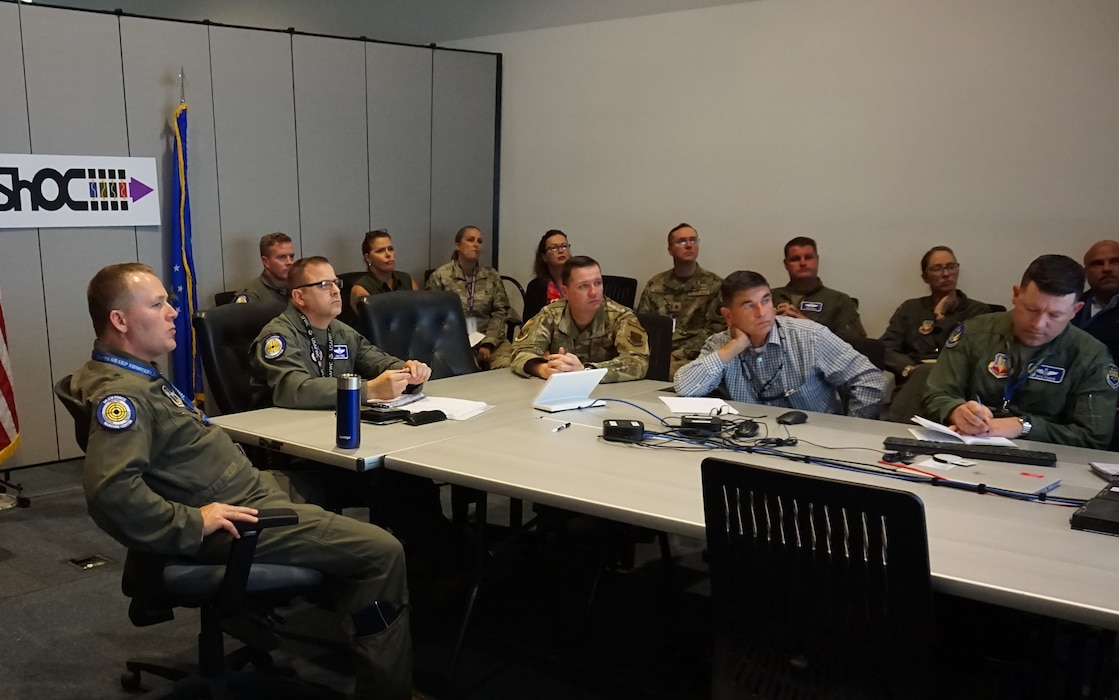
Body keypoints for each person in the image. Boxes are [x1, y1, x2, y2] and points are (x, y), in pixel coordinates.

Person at [60, 262, 413, 699]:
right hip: (239, 514)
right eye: (157, 304)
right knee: (382, 550)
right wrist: (194, 522)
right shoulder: (123, 395)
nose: (173, 311)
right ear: (120, 320)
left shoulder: (131, 374)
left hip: (240, 487)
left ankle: (281, 607)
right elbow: (110, 492)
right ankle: (386, 689)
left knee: (361, 485)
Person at [923, 254, 1117, 448]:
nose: (1038, 324)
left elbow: (1093, 436)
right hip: (966, 448)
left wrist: (1023, 427)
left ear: (1075, 310)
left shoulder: (1091, 356)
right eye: (1031, 309)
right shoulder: (974, 332)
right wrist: (955, 410)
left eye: (1055, 315)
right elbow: (936, 394)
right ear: (1016, 294)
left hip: (1049, 459)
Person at [674, 270, 885, 418]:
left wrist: (850, 429)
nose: (762, 312)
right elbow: (685, 387)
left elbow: (870, 380)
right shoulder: (721, 345)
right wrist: (736, 345)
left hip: (815, 441)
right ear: (728, 316)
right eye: (749, 305)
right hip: (752, 442)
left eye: (766, 300)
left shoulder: (809, 336)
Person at [250, 256, 431, 407]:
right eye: (324, 285)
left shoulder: (341, 331)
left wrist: (407, 372)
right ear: (299, 296)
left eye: (336, 283)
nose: (336, 291)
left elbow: (377, 361)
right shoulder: (278, 336)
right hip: (280, 432)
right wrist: (369, 390)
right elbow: (293, 389)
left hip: (330, 422)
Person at [511, 255, 649, 383]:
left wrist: (585, 371)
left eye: (598, 283)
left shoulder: (621, 317)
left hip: (610, 395)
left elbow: (637, 362)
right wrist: (543, 369)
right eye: (584, 286)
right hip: (560, 393)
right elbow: (520, 351)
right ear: (565, 292)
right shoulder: (551, 314)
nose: (593, 292)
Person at [882, 246, 992, 379]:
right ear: (925, 277)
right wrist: (909, 369)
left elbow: (973, 354)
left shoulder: (978, 311)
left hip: (957, 383)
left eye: (951, 266)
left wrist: (941, 317)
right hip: (914, 379)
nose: (946, 274)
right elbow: (886, 347)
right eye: (937, 268)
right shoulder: (910, 309)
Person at [636, 223, 725, 378]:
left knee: (666, 373)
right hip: (657, 353)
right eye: (682, 241)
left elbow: (715, 329)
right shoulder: (655, 284)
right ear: (670, 250)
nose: (689, 245)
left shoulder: (715, 285)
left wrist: (678, 355)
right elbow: (643, 324)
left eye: (693, 240)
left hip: (697, 356)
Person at [425, 226, 513, 370]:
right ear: (458, 245)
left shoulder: (491, 275)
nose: (476, 244)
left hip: (489, 338)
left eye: (479, 241)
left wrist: (488, 343)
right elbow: (431, 315)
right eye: (470, 240)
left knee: (508, 366)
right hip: (455, 340)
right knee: (466, 370)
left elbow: (501, 312)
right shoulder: (440, 276)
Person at [770, 236, 865, 343]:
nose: (802, 263)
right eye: (795, 259)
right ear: (786, 264)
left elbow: (855, 346)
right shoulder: (768, 298)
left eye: (808, 257)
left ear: (817, 260)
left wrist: (808, 325)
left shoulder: (839, 301)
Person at [349, 229, 418, 314]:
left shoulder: (407, 279)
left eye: (390, 249)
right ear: (368, 258)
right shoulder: (361, 289)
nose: (388, 254)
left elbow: (421, 314)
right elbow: (374, 321)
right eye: (380, 251)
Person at [1073, 240, 1119, 361]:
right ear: (1086, 272)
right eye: (1097, 263)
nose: (1107, 268)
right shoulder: (1069, 306)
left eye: (1115, 261)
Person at [233, 232, 295, 304]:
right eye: (282, 257)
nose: (290, 262)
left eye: (291, 256)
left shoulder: (298, 288)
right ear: (266, 262)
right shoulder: (252, 295)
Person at [523, 230, 571, 321]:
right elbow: (528, 324)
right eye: (554, 248)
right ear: (544, 257)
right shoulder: (536, 287)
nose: (561, 251)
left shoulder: (580, 281)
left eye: (564, 246)